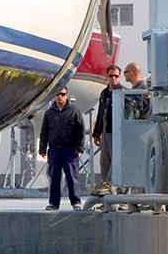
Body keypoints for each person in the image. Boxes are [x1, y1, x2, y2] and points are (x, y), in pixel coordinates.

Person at [38, 86, 85, 210]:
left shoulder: (75, 111)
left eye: (63, 94)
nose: (60, 97)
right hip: (54, 150)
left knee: (72, 177)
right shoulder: (49, 113)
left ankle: (76, 202)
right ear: (55, 96)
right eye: (58, 94)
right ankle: (54, 203)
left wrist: (80, 147)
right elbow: (44, 131)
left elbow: (80, 130)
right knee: (54, 178)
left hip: (69, 150)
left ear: (67, 96)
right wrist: (42, 148)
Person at [91, 65, 122, 195]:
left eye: (116, 76)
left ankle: (113, 187)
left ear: (119, 77)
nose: (113, 78)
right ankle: (105, 187)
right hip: (105, 132)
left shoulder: (123, 92)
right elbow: (100, 114)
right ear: (107, 76)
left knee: (117, 160)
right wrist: (96, 134)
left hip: (118, 132)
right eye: (111, 76)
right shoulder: (104, 93)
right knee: (104, 161)